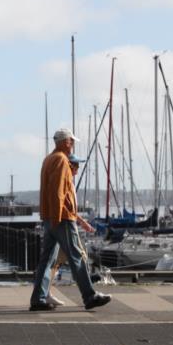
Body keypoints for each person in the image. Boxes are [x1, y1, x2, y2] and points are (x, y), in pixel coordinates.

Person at [30, 129, 111, 311]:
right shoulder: (61, 160)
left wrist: (51, 217)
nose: (72, 144)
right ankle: (89, 296)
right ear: (65, 142)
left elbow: (47, 190)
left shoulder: (48, 159)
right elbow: (58, 191)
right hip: (62, 218)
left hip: (49, 217)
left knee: (47, 260)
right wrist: (59, 216)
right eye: (71, 141)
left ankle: (38, 299)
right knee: (76, 256)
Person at [45, 153, 94, 307]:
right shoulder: (65, 181)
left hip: (68, 223)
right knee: (59, 261)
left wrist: (81, 222)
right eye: (75, 166)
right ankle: (88, 290)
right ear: (69, 166)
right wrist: (76, 222)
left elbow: (70, 209)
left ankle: (87, 281)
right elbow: (63, 206)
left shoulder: (70, 182)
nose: (77, 170)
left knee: (61, 260)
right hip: (64, 225)